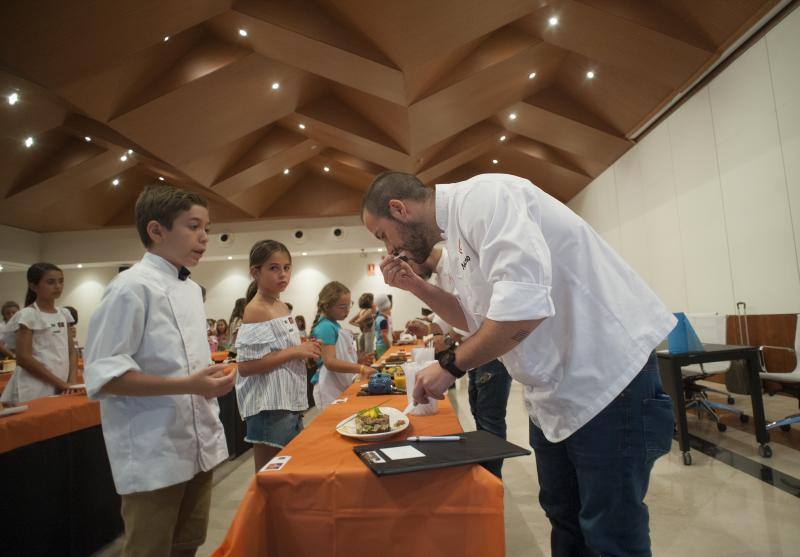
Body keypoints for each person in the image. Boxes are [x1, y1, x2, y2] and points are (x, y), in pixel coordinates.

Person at [361, 171, 676, 557]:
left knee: (610, 532)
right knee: (564, 517)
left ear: (399, 209)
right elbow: (474, 320)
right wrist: (417, 286)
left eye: (382, 235)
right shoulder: (455, 234)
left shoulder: (486, 198)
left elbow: (523, 312)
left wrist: (451, 365)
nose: (389, 249)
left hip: (607, 379)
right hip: (554, 391)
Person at [84, 184, 236, 557]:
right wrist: (189, 383)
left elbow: (183, 362)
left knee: (188, 543)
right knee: (149, 548)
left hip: (196, 439)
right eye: (193, 226)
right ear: (156, 231)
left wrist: (210, 378)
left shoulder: (189, 288)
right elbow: (106, 376)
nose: (204, 238)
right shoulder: (129, 288)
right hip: (153, 448)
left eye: (207, 228)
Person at [408, 247, 513, 478]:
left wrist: (446, 341)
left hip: (487, 352)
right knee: (480, 414)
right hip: (473, 356)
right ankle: (486, 473)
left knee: (489, 420)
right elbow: (448, 319)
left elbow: (476, 317)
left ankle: (490, 480)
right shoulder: (440, 274)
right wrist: (427, 328)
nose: (412, 273)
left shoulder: (458, 264)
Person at [235, 240, 321, 472]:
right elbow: (245, 366)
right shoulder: (256, 309)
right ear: (256, 271)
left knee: (287, 474)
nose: (282, 274)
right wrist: (295, 351)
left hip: (287, 401)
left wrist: (304, 347)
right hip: (268, 406)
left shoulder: (280, 305)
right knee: (270, 477)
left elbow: (278, 350)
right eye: (273, 268)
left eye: (286, 267)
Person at [0, 264, 80, 404]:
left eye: (61, 281)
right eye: (51, 282)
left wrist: (72, 381)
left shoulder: (63, 314)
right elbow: (24, 358)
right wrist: (60, 383)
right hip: (34, 385)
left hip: (62, 383)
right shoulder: (27, 316)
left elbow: (71, 351)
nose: (58, 286)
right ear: (33, 286)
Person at [310, 281, 374, 408]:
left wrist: (358, 360)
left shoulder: (333, 324)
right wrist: (360, 368)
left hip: (338, 384)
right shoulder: (326, 327)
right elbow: (330, 362)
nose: (348, 310)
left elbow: (339, 355)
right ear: (327, 306)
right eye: (342, 307)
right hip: (329, 388)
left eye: (349, 305)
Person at [373, 293, 393, 359]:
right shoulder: (383, 320)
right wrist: (390, 347)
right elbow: (383, 335)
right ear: (388, 305)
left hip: (379, 346)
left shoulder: (378, 317)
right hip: (383, 347)